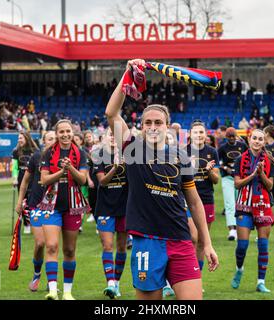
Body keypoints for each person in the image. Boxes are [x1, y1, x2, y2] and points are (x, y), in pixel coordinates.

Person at [105, 59, 218, 300]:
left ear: (167, 126)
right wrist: (127, 74)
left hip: (180, 241)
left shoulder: (181, 157)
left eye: (159, 122)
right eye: (148, 123)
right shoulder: (132, 150)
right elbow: (111, 113)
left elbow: (195, 203)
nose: (153, 126)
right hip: (147, 243)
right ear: (142, 126)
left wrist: (206, 244)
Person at [39, 119, 91, 300]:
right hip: (51, 204)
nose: (65, 134)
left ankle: (67, 292)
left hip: (72, 205)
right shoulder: (48, 153)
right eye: (61, 132)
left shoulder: (81, 153)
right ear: (57, 134)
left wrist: (70, 168)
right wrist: (62, 172)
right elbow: (44, 180)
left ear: (73, 131)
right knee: (52, 245)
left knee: (69, 250)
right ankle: (53, 290)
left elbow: (83, 180)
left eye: (68, 131)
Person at [230, 129, 274, 293]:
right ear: (249, 139)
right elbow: (237, 184)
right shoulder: (239, 159)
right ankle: (239, 268)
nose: (257, 141)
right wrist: (252, 175)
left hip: (263, 205)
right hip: (244, 204)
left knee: (263, 245)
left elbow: (270, 185)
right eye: (255, 138)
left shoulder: (269, 161)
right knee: (242, 245)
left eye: (260, 139)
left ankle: (260, 282)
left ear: (264, 142)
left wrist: (261, 174)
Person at [15, 131, 56, 292]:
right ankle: (37, 274)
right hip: (36, 205)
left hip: (54, 207)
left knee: (52, 245)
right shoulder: (36, 156)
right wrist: (20, 201)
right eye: (50, 139)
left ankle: (51, 281)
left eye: (55, 139)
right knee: (40, 243)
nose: (53, 141)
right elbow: (25, 181)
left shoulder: (62, 158)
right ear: (44, 141)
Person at [92, 128, 128, 299]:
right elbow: (102, 182)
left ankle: (117, 283)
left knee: (121, 247)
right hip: (105, 207)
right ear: (105, 138)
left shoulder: (129, 154)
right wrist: (115, 168)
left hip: (125, 207)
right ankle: (110, 283)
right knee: (107, 246)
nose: (113, 137)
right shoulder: (99, 155)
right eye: (110, 134)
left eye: (116, 135)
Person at [185, 120, 220, 275]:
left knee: (202, 241)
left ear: (205, 135)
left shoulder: (212, 152)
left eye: (201, 132)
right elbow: (178, 178)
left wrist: (209, 171)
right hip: (187, 200)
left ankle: (196, 277)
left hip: (206, 199)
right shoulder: (182, 152)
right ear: (190, 135)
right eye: (196, 132)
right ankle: (182, 274)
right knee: (193, 237)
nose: (199, 135)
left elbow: (216, 179)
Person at [217, 127, 248, 241]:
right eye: (229, 136)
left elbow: (247, 159)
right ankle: (232, 230)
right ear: (226, 137)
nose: (231, 138)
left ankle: (241, 228)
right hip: (227, 178)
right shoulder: (222, 148)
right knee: (229, 204)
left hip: (240, 178)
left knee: (240, 204)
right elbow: (217, 162)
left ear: (236, 136)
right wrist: (226, 167)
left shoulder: (242, 146)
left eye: (233, 136)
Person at [12, 131, 39, 234]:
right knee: (23, 201)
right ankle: (26, 224)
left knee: (33, 200)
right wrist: (14, 178)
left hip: (33, 179)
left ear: (27, 139)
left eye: (21, 138)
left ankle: (35, 222)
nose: (19, 140)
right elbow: (15, 167)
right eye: (18, 138)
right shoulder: (16, 151)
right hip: (21, 178)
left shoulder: (35, 151)